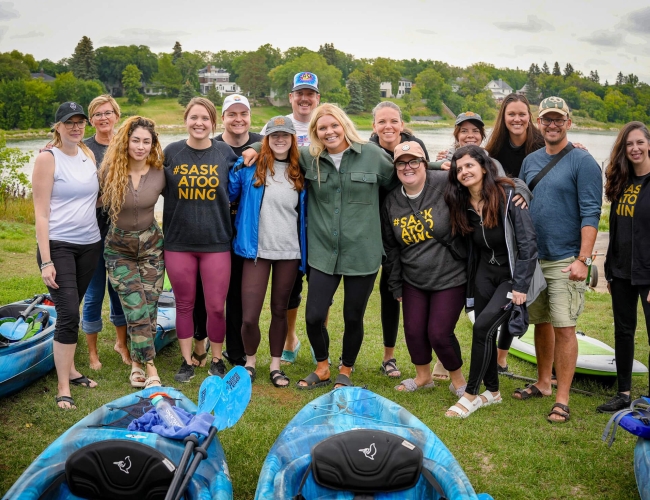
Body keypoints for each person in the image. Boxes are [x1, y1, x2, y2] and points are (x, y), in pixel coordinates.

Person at [516, 96, 602, 423]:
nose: (552, 125)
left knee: (565, 327)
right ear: (539, 123)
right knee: (541, 322)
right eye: (546, 119)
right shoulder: (531, 161)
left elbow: (591, 213)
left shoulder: (584, 162)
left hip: (566, 258)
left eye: (558, 119)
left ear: (568, 122)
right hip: (534, 258)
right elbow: (523, 203)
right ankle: (542, 383)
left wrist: (584, 259)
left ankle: (562, 398)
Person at [443, 145, 538, 417]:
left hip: (510, 277)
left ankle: (471, 394)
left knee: (482, 328)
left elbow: (528, 242)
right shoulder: (461, 202)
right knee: (481, 328)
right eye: (459, 169)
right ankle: (493, 392)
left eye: (469, 166)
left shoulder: (508, 196)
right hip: (483, 273)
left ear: (484, 167)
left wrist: (521, 285)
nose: (464, 172)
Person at [381, 142, 468, 395]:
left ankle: (459, 381)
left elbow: (480, 178)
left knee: (439, 333)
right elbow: (391, 247)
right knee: (414, 331)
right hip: (413, 278)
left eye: (414, 161)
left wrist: (518, 188)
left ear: (425, 163)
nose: (408, 167)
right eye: (401, 163)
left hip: (450, 275)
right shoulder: (392, 201)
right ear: (395, 168)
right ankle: (423, 377)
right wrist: (395, 283)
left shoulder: (444, 182)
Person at [32, 102, 102, 409]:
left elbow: (96, 198)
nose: (76, 127)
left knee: (73, 306)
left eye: (80, 122)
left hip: (90, 245)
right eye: (69, 122)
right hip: (59, 245)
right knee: (70, 313)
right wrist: (46, 260)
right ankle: (63, 386)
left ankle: (72, 370)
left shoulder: (87, 153)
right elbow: (41, 213)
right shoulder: (48, 158)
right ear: (57, 126)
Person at [163, 97, 238, 382]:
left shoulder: (225, 153)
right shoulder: (171, 153)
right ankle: (186, 361)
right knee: (184, 304)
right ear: (186, 121)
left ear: (213, 123)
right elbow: (142, 168)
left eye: (205, 119)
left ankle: (216, 358)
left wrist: (255, 149)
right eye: (194, 118)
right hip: (178, 243)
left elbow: (252, 156)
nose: (199, 123)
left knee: (216, 306)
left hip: (216, 242)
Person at [229, 116, 306, 387]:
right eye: (275, 135)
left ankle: (275, 365)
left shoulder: (300, 170)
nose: (280, 139)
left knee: (279, 310)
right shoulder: (251, 167)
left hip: (288, 251)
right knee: (249, 316)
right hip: (255, 250)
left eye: (285, 135)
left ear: (293, 139)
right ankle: (250, 362)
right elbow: (229, 191)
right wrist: (242, 158)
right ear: (267, 139)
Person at [193, 94, 263, 369]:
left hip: (243, 232)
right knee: (204, 292)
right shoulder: (213, 145)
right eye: (231, 114)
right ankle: (201, 339)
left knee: (237, 295)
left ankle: (236, 351)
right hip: (212, 230)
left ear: (250, 117)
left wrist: (259, 144)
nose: (238, 119)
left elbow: (289, 146)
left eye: (243, 113)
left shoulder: (263, 142)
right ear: (221, 118)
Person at [260, 72, 321, 365]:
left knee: (322, 282)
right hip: (289, 212)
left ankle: (318, 338)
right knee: (291, 285)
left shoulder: (326, 124)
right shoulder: (279, 124)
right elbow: (261, 153)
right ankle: (290, 338)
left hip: (319, 211)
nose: (305, 98)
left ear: (317, 98)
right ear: (291, 97)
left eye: (310, 93)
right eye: (300, 93)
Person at [100, 116, 166, 389]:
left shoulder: (161, 171)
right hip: (119, 250)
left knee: (149, 307)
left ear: (153, 145)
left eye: (146, 142)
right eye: (135, 140)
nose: (140, 146)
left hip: (152, 247)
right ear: (126, 141)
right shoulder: (109, 171)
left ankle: (137, 364)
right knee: (135, 307)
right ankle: (151, 369)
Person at [369, 101, 431, 380]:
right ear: (374, 126)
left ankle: (389, 356)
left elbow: (428, 175)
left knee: (393, 291)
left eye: (393, 121)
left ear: (401, 124)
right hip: (372, 227)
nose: (388, 126)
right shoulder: (367, 150)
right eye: (382, 122)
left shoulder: (414, 146)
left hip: (404, 228)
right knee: (366, 290)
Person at [598, 122, 650, 412]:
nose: (635, 148)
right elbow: (617, 229)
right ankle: (624, 393)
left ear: (649, 144)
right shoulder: (622, 182)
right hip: (620, 271)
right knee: (623, 331)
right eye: (629, 144)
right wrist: (609, 269)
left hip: (648, 272)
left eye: (640, 142)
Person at [80, 95, 128, 371]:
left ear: (116, 115)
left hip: (121, 232)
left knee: (119, 291)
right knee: (94, 292)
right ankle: (93, 352)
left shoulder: (125, 146)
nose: (103, 118)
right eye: (97, 114)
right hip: (91, 232)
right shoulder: (84, 149)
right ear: (91, 120)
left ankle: (122, 344)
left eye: (108, 112)